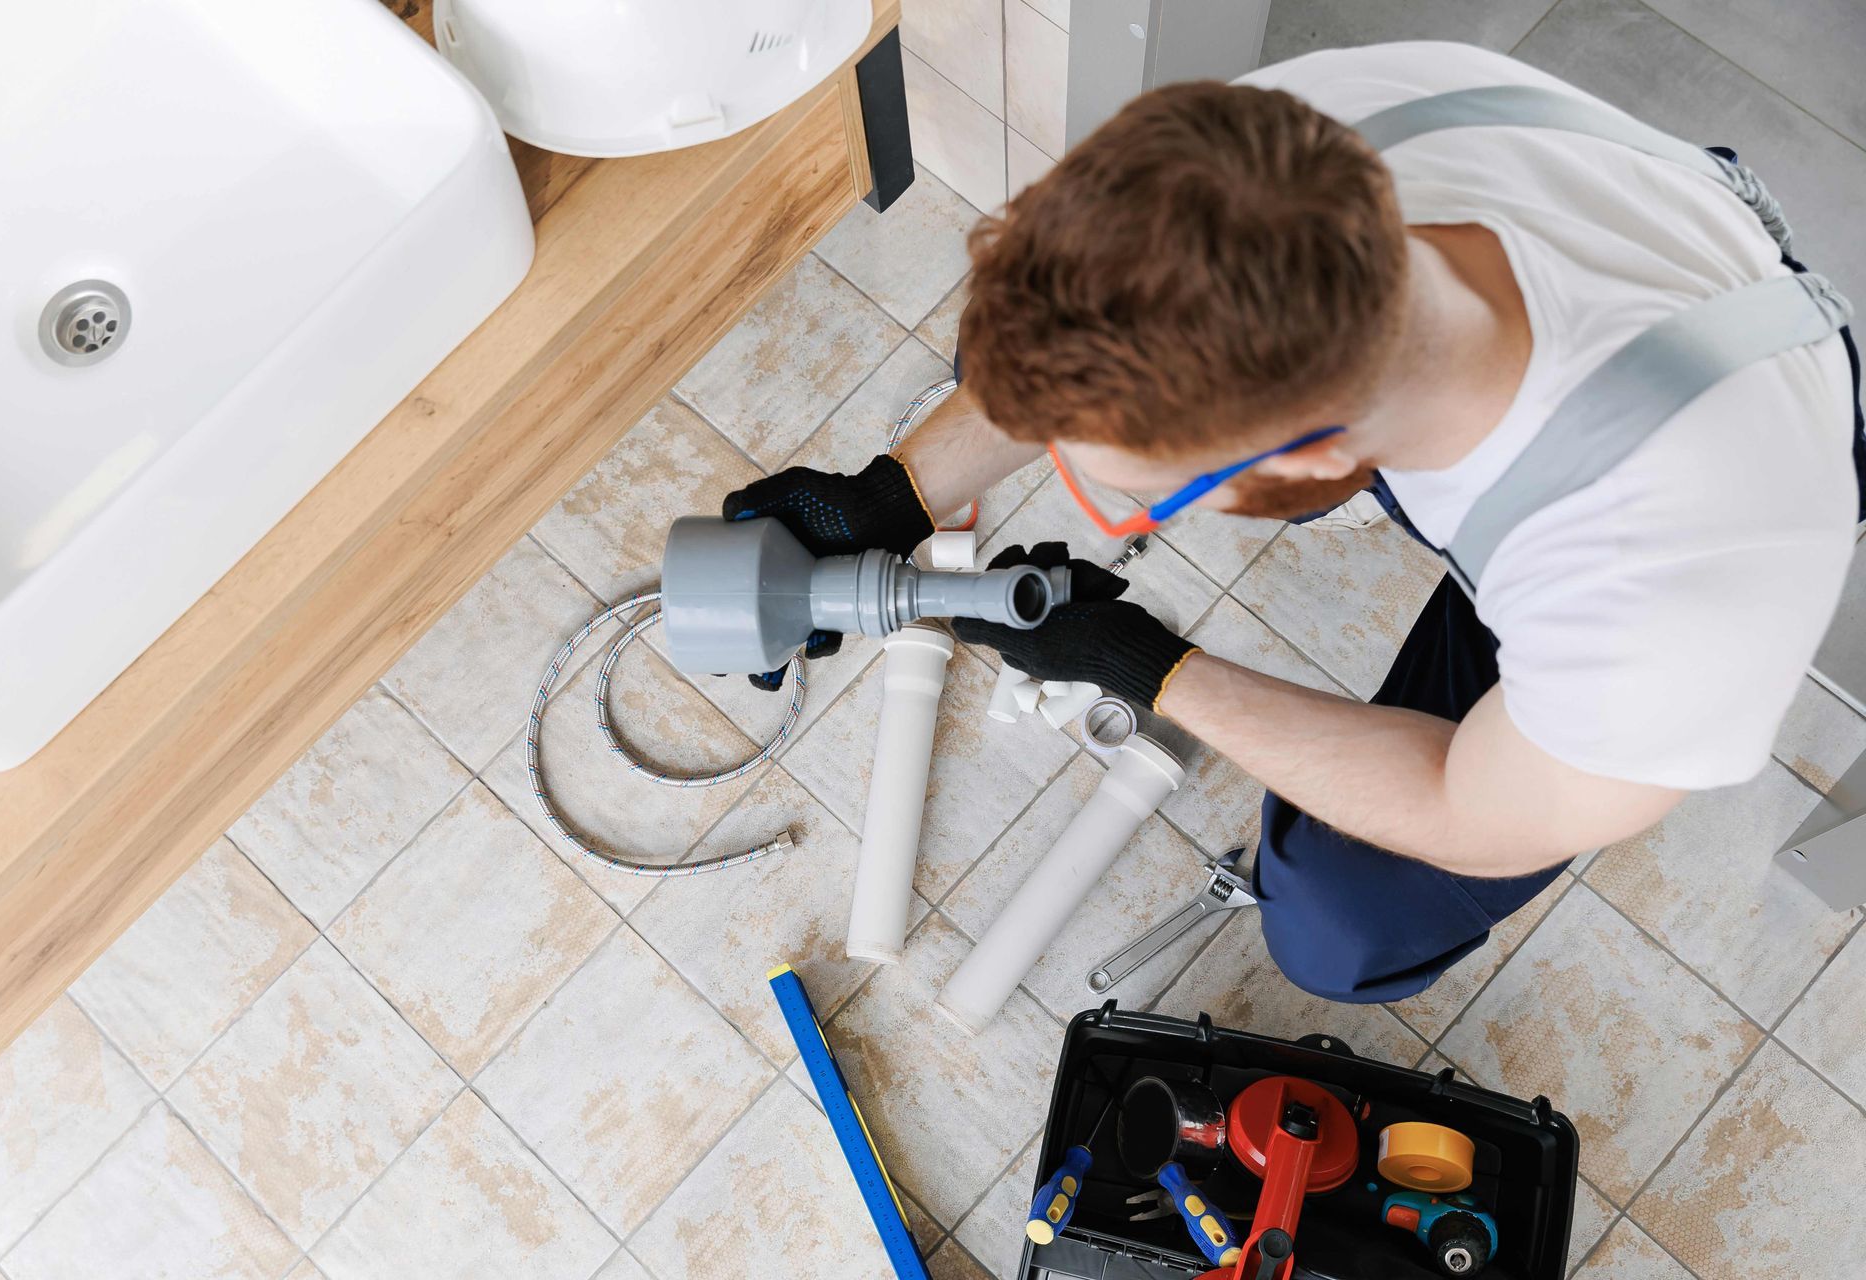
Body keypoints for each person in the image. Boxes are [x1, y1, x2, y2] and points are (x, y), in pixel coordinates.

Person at [720, 42, 1862, 1003]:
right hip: (1565, 365)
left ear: (1323, 455)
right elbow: (1110, 333)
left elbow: (1477, 811)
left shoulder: (1664, 597)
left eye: (1139, 492)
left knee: (1339, 917)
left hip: (1702, 450)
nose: (1095, 493)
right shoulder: (1293, 152)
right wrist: (890, 496)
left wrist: (1148, 664)